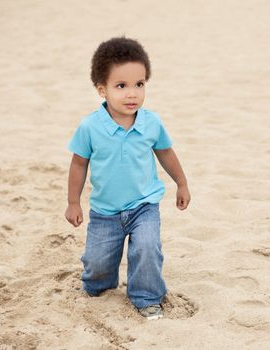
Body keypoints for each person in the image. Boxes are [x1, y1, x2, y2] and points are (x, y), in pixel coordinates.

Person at [65, 37, 190, 320]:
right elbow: (78, 164)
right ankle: (97, 287)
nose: (132, 93)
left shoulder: (151, 123)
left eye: (140, 84)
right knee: (98, 266)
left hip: (143, 205)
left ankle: (146, 297)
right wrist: (73, 202)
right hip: (104, 211)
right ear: (102, 89)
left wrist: (181, 183)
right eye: (121, 86)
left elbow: (166, 153)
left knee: (147, 249)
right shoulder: (90, 127)